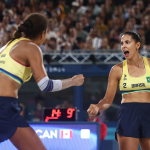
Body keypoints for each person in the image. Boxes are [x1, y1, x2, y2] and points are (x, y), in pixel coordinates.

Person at [0, 13, 84, 150]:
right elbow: (45, 85)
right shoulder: (32, 48)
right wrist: (72, 82)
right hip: (4, 108)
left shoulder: (9, 44)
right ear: (43, 34)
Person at [87, 31, 150, 150]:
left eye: (127, 42)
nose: (123, 46)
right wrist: (98, 106)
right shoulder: (117, 69)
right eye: (121, 43)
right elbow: (107, 99)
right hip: (128, 114)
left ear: (137, 45)